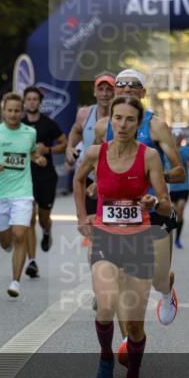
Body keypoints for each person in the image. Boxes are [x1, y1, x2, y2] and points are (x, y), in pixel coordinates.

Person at [74, 95, 171, 378]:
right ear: (110, 120)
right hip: (104, 238)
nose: (123, 124)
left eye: (130, 119)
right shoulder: (95, 152)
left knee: (134, 325)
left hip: (139, 240)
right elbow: (78, 179)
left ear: (138, 123)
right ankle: (105, 358)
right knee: (106, 304)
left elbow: (166, 204)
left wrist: (153, 203)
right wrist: (81, 217)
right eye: (118, 118)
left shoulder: (149, 157)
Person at [93, 69, 185, 329]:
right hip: (118, 211)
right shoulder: (103, 127)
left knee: (157, 278)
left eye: (133, 86)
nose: (126, 89)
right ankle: (126, 341)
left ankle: (166, 291)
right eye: (121, 85)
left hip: (153, 208)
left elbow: (179, 172)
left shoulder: (156, 126)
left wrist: (152, 176)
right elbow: (97, 166)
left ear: (143, 93)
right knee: (122, 278)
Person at [0, 93, 48, 298]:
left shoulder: (29, 133)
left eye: (17, 111)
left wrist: (38, 159)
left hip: (23, 192)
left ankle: (15, 281)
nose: (13, 114)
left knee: (21, 234)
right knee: (6, 241)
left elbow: (30, 153)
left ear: (21, 112)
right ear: (4, 111)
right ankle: (6, 243)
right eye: (10, 110)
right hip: (0, 194)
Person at [66, 72, 116, 248]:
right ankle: (99, 268)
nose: (104, 94)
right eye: (100, 89)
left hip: (115, 181)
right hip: (90, 180)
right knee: (94, 231)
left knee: (112, 229)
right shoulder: (85, 113)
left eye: (109, 89)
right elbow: (76, 130)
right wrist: (70, 147)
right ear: (95, 92)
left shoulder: (121, 117)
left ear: (115, 91)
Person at [21, 86, 67, 278]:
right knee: (29, 218)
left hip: (46, 176)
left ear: (40, 103)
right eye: (28, 99)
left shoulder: (49, 124)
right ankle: (32, 261)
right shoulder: (19, 125)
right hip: (24, 177)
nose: (32, 102)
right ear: (24, 102)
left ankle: (47, 230)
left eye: (35, 99)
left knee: (43, 216)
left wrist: (47, 150)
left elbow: (64, 144)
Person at [169, 134, 189, 249]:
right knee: (174, 212)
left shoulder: (187, 150)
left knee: (180, 210)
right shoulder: (167, 152)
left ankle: (177, 239)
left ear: (182, 139)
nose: (177, 140)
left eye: (179, 138)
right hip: (171, 188)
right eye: (174, 138)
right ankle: (172, 235)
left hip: (184, 187)